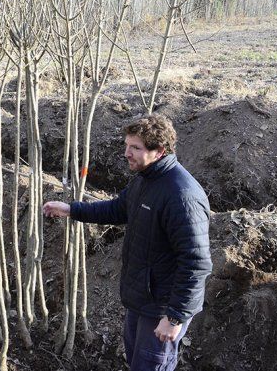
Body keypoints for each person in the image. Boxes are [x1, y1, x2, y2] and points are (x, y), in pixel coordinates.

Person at [43, 114, 212, 371]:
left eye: (135, 148)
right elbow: (118, 209)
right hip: (141, 300)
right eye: (127, 145)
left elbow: (196, 262)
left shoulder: (181, 196)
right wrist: (70, 209)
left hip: (161, 308)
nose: (126, 153)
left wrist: (175, 316)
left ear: (160, 151)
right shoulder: (146, 179)